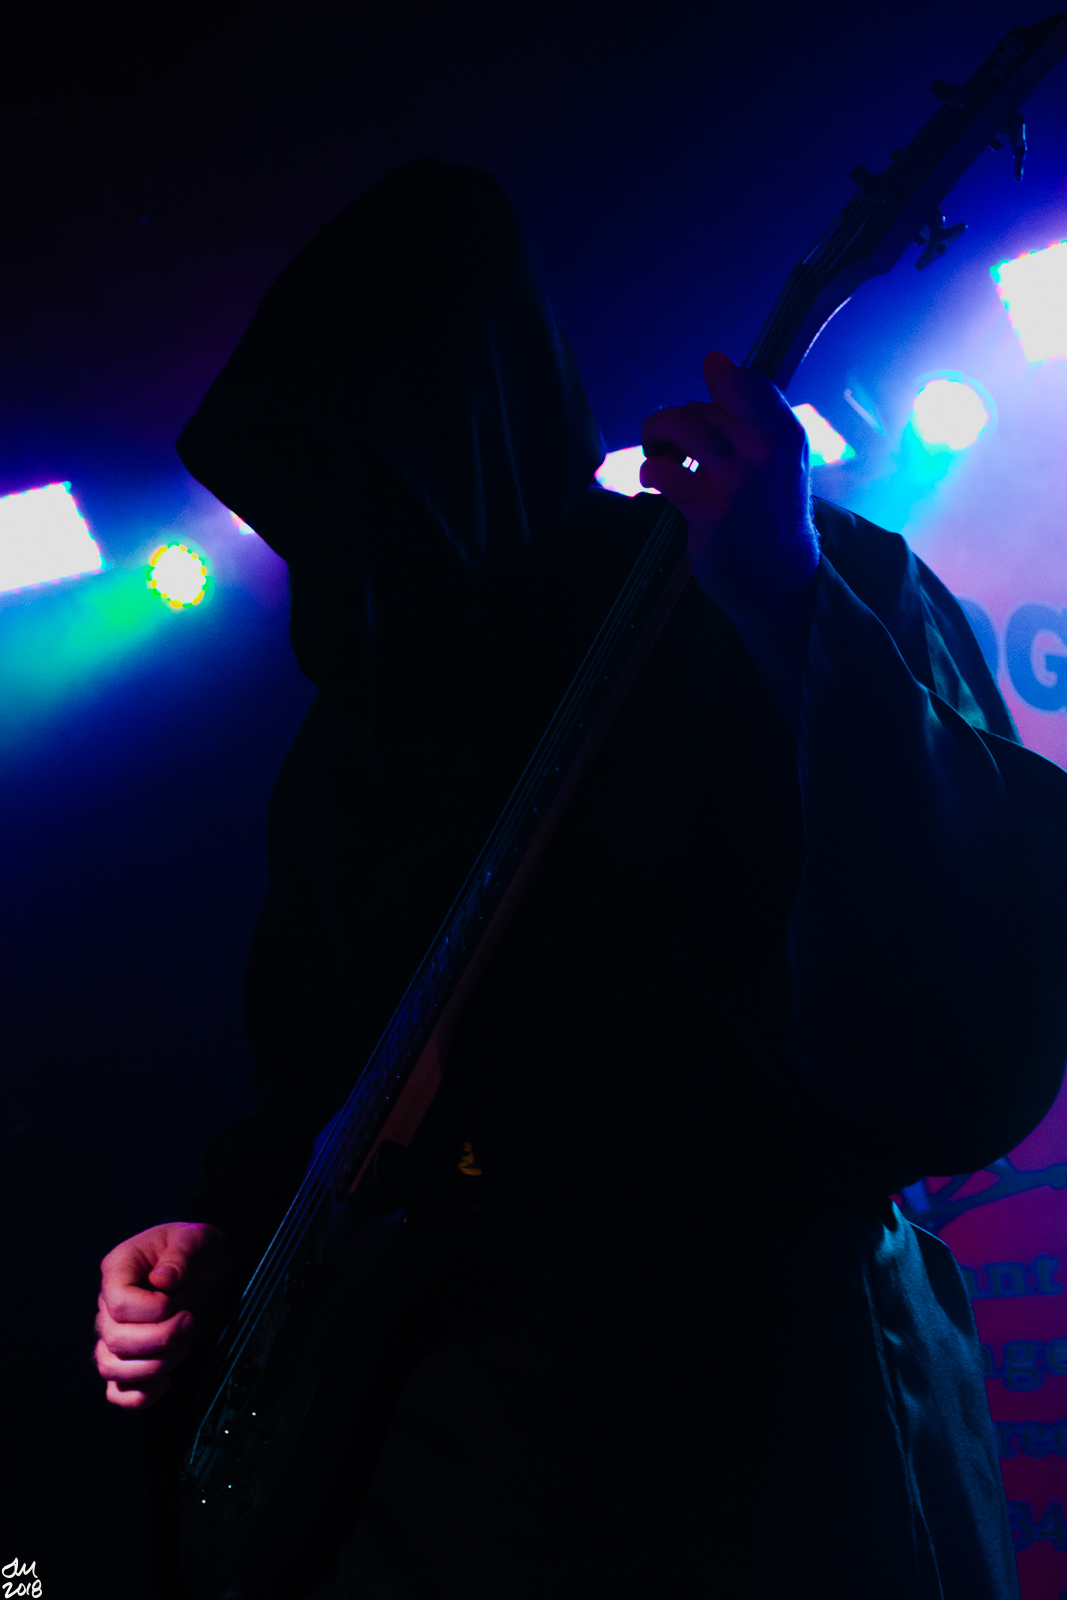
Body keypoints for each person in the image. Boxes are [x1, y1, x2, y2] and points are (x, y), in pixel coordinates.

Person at [94, 159, 1067, 1599]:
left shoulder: (772, 575)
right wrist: (219, 1229)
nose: (330, 536)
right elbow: (313, 1076)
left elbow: (956, 994)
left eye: (357, 473)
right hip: (442, 1449)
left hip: (761, 1404)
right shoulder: (356, 731)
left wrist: (786, 605)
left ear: (458, 422)